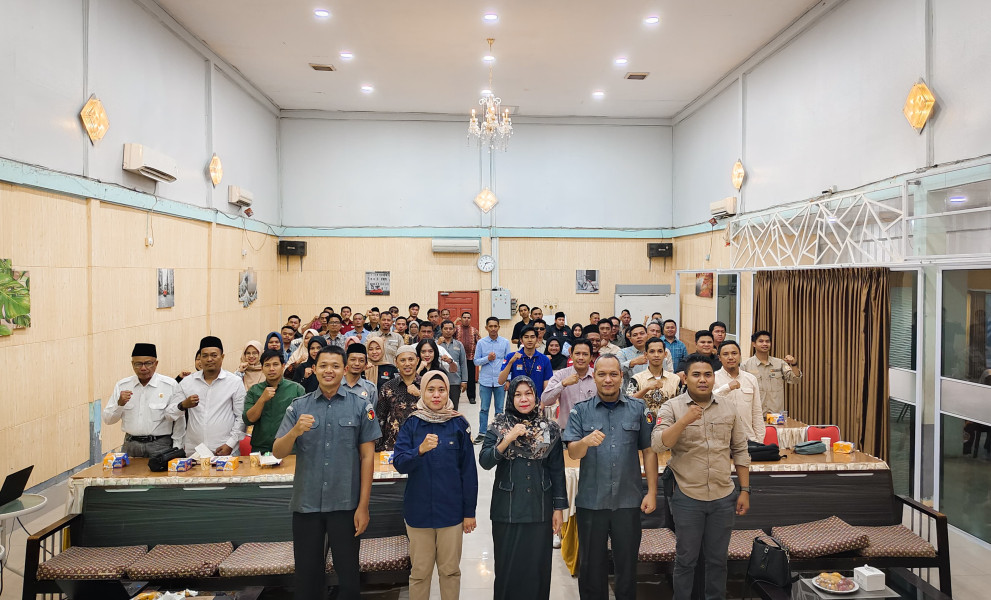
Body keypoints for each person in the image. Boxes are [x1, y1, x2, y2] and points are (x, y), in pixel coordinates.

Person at [273, 345, 380, 600]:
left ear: (344, 369)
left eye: (335, 366)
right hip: (307, 505)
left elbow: (368, 458)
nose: (328, 371)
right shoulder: (298, 407)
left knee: (348, 577)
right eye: (323, 366)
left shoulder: (361, 406)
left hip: (345, 504)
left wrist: (363, 506)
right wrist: (295, 432)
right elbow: (278, 451)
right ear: (314, 369)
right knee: (306, 577)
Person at [652, 354, 751, 600]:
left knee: (718, 560)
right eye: (696, 375)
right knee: (686, 560)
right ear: (685, 378)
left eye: (707, 374)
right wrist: (684, 421)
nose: (703, 380)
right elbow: (658, 444)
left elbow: (740, 449)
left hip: (723, 495)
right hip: (687, 496)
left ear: (713, 378)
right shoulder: (672, 407)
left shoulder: (728, 407)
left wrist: (745, 490)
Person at [563, 354, 657, 600]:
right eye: (602, 374)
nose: (608, 380)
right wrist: (585, 441)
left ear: (621, 377)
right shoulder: (580, 411)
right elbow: (573, 452)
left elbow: (649, 451)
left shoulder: (638, 409)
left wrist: (652, 492)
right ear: (594, 377)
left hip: (628, 501)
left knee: (627, 566)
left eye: (613, 374)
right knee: (591, 567)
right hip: (591, 502)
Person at [479, 376, 567, 600]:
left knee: (537, 570)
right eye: (518, 394)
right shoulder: (499, 425)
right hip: (507, 510)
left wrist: (558, 508)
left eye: (528, 393)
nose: (524, 399)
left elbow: (557, 470)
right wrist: (507, 438)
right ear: (511, 398)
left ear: (536, 397)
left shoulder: (549, 429)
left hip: (540, 508)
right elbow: (485, 461)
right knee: (508, 570)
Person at [393, 371, 478, 600]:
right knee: (420, 573)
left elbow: (469, 472)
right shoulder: (412, 423)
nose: (436, 395)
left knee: (450, 571)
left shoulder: (458, 424)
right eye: (431, 390)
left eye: (441, 390)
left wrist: (469, 512)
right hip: (418, 512)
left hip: (451, 513)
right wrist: (419, 450)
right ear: (422, 392)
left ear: (448, 392)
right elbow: (399, 463)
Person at [104, 343, 186, 457]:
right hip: (130, 445)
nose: (143, 368)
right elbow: (108, 420)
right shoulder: (123, 385)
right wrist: (119, 404)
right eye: (138, 364)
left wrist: (177, 449)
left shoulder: (169, 385)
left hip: (161, 446)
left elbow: (179, 420)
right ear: (132, 364)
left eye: (148, 363)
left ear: (156, 363)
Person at [172, 336, 246, 457]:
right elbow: (169, 414)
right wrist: (183, 405)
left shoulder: (234, 382)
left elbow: (241, 417)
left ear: (222, 357)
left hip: (225, 451)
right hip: (195, 452)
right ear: (200, 358)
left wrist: (230, 444)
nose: (209, 359)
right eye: (205, 356)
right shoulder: (187, 382)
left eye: (214, 355)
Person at [243, 349, 305, 454]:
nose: (271, 369)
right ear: (262, 368)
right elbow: (249, 420)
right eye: (267, 365)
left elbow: (303, 421)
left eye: (275, 364)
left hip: (289, 449)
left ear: (283, 366)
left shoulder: (296, 389)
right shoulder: (254, 390)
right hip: (261, 449)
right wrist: (262, 400)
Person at [741, 330, 802, 415]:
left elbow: (795, 380)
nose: (765, 344)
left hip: (776, 414)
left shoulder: (780, 363)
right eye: (761, 341)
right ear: (754, 344)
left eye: (767, 341)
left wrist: (794, 364)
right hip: (755, 414)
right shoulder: (745, 365)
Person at [713, 341, 764, 443]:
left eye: (734, 353)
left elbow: (757, 412)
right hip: (721, 440)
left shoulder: (751, 379)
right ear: (719, 358)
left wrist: (758, 441)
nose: (730, 357)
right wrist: (727, 387)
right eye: (725, 354)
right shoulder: (712, 378)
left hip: (748, 439)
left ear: (740, 355)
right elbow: (708, 402)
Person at [541, 338, 596, 429]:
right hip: (566, 431)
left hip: (593, 431)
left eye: (585, 354)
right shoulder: (560, 375)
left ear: (591, 357)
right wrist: (563, 384)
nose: (581, 357)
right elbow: (545, 400)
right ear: (571, 355)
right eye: (577, 353)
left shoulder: (597, 376)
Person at [376, 345, 421, 451]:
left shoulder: (427, 385)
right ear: (396, 362)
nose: (407, 364)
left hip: (420, 445)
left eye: (411, 359)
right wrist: (378, 446)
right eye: (402, 360)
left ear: (417, 360)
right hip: (393, 446)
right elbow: (380, 418)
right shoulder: (387, 387)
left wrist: (420, 395)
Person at [474, 316, 511, 444]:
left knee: (499, 410)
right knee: (484, 408)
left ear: (499, 327)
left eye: (495, 326)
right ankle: (482, 433)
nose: (493, 329)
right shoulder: (481, 343)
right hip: (485, 381)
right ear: (486, 328)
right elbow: (476, 361)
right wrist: (487, 359)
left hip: (500, 381)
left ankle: (498, 433)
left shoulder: (505, 342)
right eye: (491, 326)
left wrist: (508, 380)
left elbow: (508, 362)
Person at [628, 337, 680, 423]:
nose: (656, 355)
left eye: (660, 351)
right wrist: (647, 388)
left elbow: (681, 405)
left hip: (670, 424)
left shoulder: (675, 379)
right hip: (643, 424)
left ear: (665, 354)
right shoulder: (636, 378)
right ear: (646, 355)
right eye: (652, 351)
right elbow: (629, 402)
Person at [498, 325, 554, 399]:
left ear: (537, 339)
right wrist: (510, 363)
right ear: (521, 340)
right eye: (526, 337)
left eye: (532, 337)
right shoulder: (511, 356)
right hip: (516, 401)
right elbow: (500, 381)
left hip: (536, 401)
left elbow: (547, 385)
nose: (529, 340)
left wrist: (544, 402)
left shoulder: (544, 359)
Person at [438, 320, 469, 410]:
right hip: (439, 380)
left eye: (450, 329)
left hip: (455, 381)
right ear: (441, 330)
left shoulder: (459, 345)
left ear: (454, 330)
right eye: (445, 328)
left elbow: (463, 363)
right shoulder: (436, 344)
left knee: (454, 408)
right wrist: (437, 344)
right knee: (440, 408)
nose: (448, 331)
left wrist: (464, 380)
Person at [454, 311, 481, 405]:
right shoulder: (456, 329)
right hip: (457, 358)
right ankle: (455, 396)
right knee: (456, 377)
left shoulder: (474, 330)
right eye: (464, 317)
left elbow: (479, 343)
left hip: (470, 358)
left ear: (470, 319)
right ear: (461, 319)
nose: (466, 319)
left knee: (471, 378)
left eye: (468, 318)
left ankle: (471, 397)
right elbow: (448, 335)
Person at [342, 343, 379, 409]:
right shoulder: (335, 384)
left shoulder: (370, 388)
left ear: (365, 365)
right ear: (346, 362)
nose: (357, 363)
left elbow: (372, 412)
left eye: (361, 360)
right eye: (353, 359)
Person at [618, 323, 649, 389]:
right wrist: (632, 363)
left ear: (647, 336)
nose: (639, 337)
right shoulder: (623, 353)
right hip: (630, 392)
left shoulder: (656, 352)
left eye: (642, 333)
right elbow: (617, 370)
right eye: (635, 335)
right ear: (630, 340)